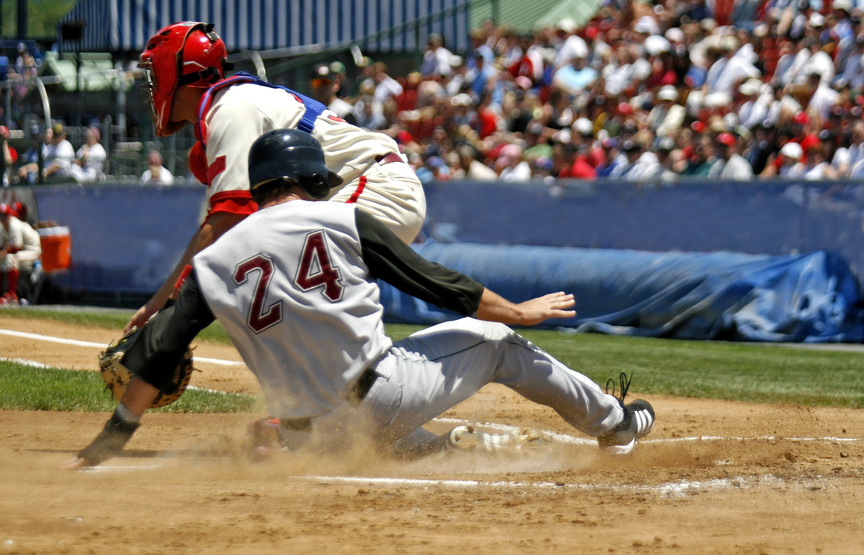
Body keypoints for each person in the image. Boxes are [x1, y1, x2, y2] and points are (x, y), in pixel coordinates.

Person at [63, 129, 655, 469]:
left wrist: (112, 436)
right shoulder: (341, 217)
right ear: (314, 178)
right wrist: (518, 313)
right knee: (499, 344)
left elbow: (161, 348)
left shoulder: (212, 260)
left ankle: (449, 445)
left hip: (304, 432)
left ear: (258, 188)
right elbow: (437, 284)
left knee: (375, 442)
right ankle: (616, 424)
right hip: (379, 395)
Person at [128, 21, 425, 333]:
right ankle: (339, 371)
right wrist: (164, 302)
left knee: (275, 274)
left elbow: (226, 222)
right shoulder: (227, 109)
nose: (151, 84)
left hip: (376, 187)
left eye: (155, 73)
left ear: (178, 72)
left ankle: (372, 368)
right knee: (264, 282)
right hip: (361, 190)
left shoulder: (231, 108)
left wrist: (165, 311)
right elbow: (214, 229)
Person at [0, 203, 41, 306]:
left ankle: (12, 295)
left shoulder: (14, 224)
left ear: (10, 215)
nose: (3, 218)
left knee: (11, 258)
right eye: (1, 215)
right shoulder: (2, 227)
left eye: (5, 215)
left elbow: (15, 247)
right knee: (3, 259)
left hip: (34, 252)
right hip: (23, 253)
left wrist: (2, 253)